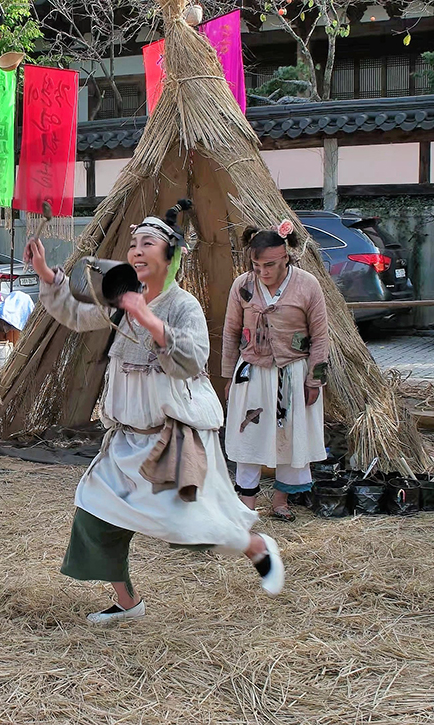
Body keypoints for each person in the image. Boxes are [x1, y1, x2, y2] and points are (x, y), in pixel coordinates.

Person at [26, 200, 285, 625]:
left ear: (170, 254)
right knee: (94, 512)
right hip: (125, 439)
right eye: (133, 244)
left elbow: (192, 358)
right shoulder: (124, 298)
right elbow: (77, 314)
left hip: (171, 439)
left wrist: (148, 320)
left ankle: (256, 547)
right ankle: (128, 603)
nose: (136, 251)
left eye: (147, 243)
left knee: (192, 525)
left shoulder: (183, 306)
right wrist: (47, 276)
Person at [222, 221, 329, 522]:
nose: (263, 272)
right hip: (252, 372)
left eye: (269, 265)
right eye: (256, 266)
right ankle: (247, 504)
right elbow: (231, 332)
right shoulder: (243, 285)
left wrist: (314, 380)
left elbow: (321, 335)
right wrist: (228, 376)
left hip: (293, 372)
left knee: (290, 434)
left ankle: (281, 501)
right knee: (249, 434)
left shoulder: (307, 284)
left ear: (285, 257)